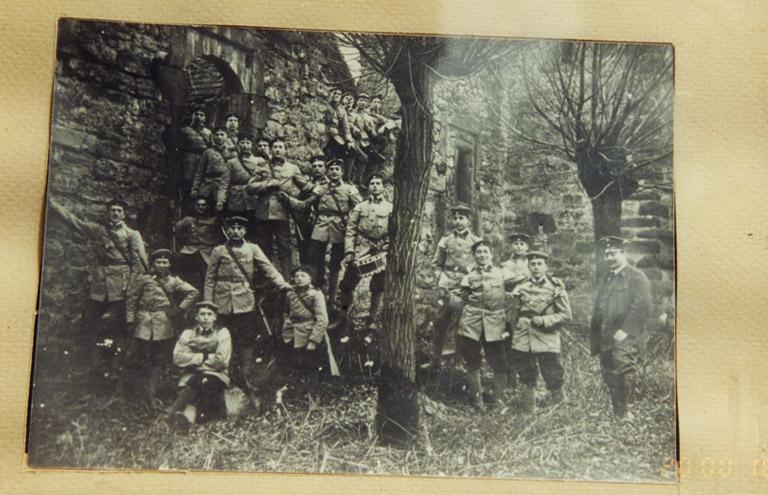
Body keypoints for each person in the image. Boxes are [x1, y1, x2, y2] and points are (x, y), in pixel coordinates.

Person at [47, 197, 148, 373]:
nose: (115, 213)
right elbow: (75, 222)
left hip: (122, 285)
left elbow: (139, 264)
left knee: (120, 326)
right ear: (107, 213)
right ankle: (95, 364)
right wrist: (52, 204)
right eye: (112, 210)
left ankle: (118, 366)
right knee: (91, 322)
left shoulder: (132, 234)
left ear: (124, 215)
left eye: (119, 211)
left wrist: (131, 287)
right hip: (100, 285)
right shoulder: (97, 230)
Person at [204, 216, 291, 393]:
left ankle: (246, 376)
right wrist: (208, 304)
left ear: (245, 231)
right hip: (222, 303)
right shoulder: (218, 250)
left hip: (244, 301)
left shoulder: (253, 248)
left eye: (240, 228)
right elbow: (210, 278)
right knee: (223, 339)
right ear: (226, 230)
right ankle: (224, 376)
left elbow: (269, 269)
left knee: (246, 338)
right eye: (232, 228)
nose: (236, 231)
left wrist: (283, 285)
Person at [123, 249, 198, 402]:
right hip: (143, 322)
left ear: (169, 264)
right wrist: (130, 320)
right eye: (158, 262)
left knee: (158, 359)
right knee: (134, 356)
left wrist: (179, 309)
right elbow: (131, 300)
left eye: (165, 262)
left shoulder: (174, 281)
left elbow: (193, 292)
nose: (162, 265)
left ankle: (152, 394)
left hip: (163, 323)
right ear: (153, 264)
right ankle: (125, 393)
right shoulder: (144, 279)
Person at [590, 236, 652, 420]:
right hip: (606, 335)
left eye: (613, 253)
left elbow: (643, 306)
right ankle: (617, 411)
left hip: (626, 336)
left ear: (623, 253)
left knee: (624, 370)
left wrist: (625, 331)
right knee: (608, 372)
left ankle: (626, 412)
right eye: (606, 254)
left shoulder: (636, 276)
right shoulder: (607, 278)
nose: (609, 257)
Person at [288, 159, 361, 312]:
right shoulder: (319, 188)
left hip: (340, 226)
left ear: (341, 172)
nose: (334, 171)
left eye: (337, 169)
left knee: (335, 263)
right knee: (313, 257)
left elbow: (359, 208)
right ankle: (313, 295)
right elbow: (305, 204)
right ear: (327, 172)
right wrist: (289, 200)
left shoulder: (350, 189)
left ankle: (332, 300)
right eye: (331, 169)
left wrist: (354, 226)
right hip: (320, 225)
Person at [507, 251, 572, 413]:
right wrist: (512, 332)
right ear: (528, 267)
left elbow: (566, 315)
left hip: (546, 335)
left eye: (539, 264)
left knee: (553, 371)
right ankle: (529, 410)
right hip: (524, 335)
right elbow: (513, 314)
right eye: (532, 264)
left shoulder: (556, 288)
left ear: (546, 267)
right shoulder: (521, 287)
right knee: (525, 371)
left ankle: (560, 406)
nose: (536, 267)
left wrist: (545, 321)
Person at [456, 240, 510, 411]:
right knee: (472, 360)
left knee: (499, 361)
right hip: (472, 323)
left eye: (485, 251)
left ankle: (498, 400)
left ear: (491, 254)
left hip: (495, 323)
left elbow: (523, 281)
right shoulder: (468, 277)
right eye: (479, 252)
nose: (482, 255)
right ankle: (477, 399)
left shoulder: (502, 274)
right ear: (474, 255)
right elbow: (463, 297)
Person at [334, 173, 392, 334]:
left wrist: (388, 245)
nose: (374, 185)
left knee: (378, 286)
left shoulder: (390, 207)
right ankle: (342, 316)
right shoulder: (360, 207)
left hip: (381, 250)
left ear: (383, 187)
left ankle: (372, 320)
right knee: (347, 284)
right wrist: (349, 251)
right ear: (368, 187)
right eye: (372, 183)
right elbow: (351, 230)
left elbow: (394, 231)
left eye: (378, 183)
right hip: (362, 249)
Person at [428, 203, 482, 369]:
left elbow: (481, 265)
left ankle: (458, 360)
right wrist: (440, 276)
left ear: (468, 220)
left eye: (462, 218)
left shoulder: (477, 241)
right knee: (440, 321)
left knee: (462, 324)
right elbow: (436, 263)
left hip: (466, 288)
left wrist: (471, 280)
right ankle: (435, 360)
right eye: (455, 218)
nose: (458, 221)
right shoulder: (445, 240)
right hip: (447, 286)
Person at [166, 301, 232, 433]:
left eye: (209, 314)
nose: (206, 317)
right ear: (196, 316)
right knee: (198, 383)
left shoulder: (222, 332)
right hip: (192, 375)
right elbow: (178, 357)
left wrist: (193, 359)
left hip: (217, 374)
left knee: (203, 381)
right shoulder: (188, 333)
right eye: (202, 314)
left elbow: (222, 360)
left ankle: (171, 416)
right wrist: (205, 357)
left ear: (215, 317)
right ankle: (187, 422)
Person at [245, 137, 307, 277]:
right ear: (271, 150)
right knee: (264, 247)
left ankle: (285, 280)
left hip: (282, 213)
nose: (278, 149)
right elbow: (249, 187)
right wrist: (266, 185)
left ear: (285, 150)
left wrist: (315, 191)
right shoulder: (262, 166)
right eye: (275, 147)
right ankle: (265, 280)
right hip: (263, 213)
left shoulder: (292, 168)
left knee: (284, 247)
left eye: (280, 147)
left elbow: (305, 186)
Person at [281, 265, 333, 380]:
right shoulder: (290, 294)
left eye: (303, 276)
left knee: (310, 367)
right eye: (296, 276)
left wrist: (313, 341)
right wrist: (287, 322)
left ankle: (311, 392)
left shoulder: (316, 294)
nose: (299, 278)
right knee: (293, 366)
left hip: (308, 333)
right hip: (292, 334)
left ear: (310, 279)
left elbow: (322, 319)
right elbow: (285, 311)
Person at [501, 232, 532, 388]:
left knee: (527, 342)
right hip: (510, 308)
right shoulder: (505, 265)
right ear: (511, 246)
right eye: (516, 244)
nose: (519, 246)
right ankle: (510, 380)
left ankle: (527, 381)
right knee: (510, 341)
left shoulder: (533, 263)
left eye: (522, 244)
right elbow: (504, 281)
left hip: (528, 307)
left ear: (527, 247)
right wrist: (522, 278)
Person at [174, 197, 222, 292]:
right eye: (198, 205)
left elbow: (218, 236)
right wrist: (185, 240)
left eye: (203, 205)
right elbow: (177, 231)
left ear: (207, 207)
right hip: (190, 250)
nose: (201, 207)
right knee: (177, 262)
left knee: (208, 273)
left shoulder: (213, 221)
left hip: (206, 251)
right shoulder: (188, 220)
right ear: (194, 207)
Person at [225, 135, 266, 217]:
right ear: (238, 145)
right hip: (236, 198)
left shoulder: (259, 161)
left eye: (248, 143)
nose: (245, 145)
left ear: (252, 145)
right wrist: (221, 199)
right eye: (242, 142)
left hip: (253, 197)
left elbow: (264, 181)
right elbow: (225, 181)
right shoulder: (231, 162)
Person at [191, 128, 229, 214]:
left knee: (220, 212)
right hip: (206, 186)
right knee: (204, 211)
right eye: (217, 135)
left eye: (222, 134)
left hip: (221, 187)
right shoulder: (208, 152)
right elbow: (199, 171)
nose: (219, 137)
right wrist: (195, 188)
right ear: (213, 137)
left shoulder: (231, 153)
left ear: (227, 137)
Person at [179, 107, 212, 203]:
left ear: (205, 118)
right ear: (192, 116)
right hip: (189, 159)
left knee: (201, 183)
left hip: (203, 160)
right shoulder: (185, 130)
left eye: (201, 115)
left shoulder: (208, 132)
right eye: (196, 114)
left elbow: (210, 147)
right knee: (187, 182)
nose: (198, 117)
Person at [323, 87, 354, 163]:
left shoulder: (341, 109)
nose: (336, 95)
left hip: (336, 135)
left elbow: (345, 126)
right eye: (334, 93)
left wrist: (348, 140)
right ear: (330, 94)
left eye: (339, 94)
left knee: (350, 151)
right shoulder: (324, 104)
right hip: (324, 132)